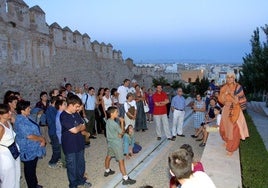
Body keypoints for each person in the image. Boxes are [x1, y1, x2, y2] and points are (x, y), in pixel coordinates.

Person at [60, 95, 92, 188]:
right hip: (70, 145)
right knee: (72, 167)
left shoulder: (76, 113)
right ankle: (73, 185)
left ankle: (81, 180)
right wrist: (79, 127)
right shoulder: (64, 116)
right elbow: (74, 130)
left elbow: (83, 126)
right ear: (70, 105)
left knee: (81, 164)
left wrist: (79, 127)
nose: (78, 109)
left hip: (79, 143)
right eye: (77, 106)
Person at [14, 100, 46, 188]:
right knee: (29, 169)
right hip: (27, 149)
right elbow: (29, 136)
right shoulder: (20, 121)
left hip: (33, 148)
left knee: (32, 168)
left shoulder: (28, 117)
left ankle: (34, 184)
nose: (30, 109)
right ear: (22, 110)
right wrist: (41, 139)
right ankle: (31, 186)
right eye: (28, 108)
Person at [218, 72, 249, 156]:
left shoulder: (238, 87)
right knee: (223, 128)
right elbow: (221, 100)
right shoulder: (224, 87)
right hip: (226, 110)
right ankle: (227, 141)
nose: (229, 79)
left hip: (235, 110)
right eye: (228, 77)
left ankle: (231, 148)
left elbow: (240, 100)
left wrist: (231, 95)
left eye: (231, 77)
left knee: (233, 130)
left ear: (234, 78)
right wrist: (224, 95)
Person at [104, 106, 136, 185]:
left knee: (109, 156)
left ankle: (107, 170)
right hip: (116, 143)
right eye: (116, 112)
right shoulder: (114, 124)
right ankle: (125, 178)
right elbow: (121, 133)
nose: (118, 113)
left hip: (110, 142)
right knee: (121, 160)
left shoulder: (108, 121)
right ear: (112, 114)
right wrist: (122, 122)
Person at [0, 104, 20, 188]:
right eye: (7, 112)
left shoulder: (8, 122)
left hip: (13, 149)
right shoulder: (0, 127)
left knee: (16, 173)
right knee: (8, 177)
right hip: (5, 154)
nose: (10, 113)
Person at [46, 96, 62, 168]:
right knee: (56, 148)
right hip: (53, 131)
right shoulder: (50, 109)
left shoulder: (53, 109)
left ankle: (57, 160)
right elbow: (55, 120)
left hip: (56, 131)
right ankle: (52, 162)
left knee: (59, 147)